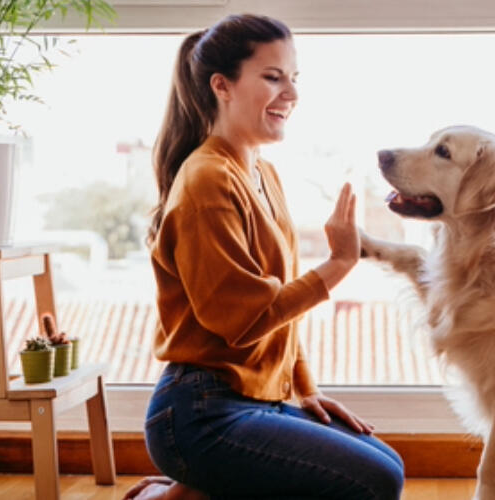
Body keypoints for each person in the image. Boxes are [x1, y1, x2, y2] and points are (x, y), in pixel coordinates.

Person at [124, 13, 405, 500]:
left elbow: (277, 307)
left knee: (387, 461)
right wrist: (337, 266)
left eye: (293, 79)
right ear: (222, 86)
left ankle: (189, 493)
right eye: (273, 77)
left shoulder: (262, 173)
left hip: (255, 398)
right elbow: (244, 318)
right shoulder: (207, 180)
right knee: (376, 482)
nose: (291, 94)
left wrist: (304, 387)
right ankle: (184, 489)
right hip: (199, 412)